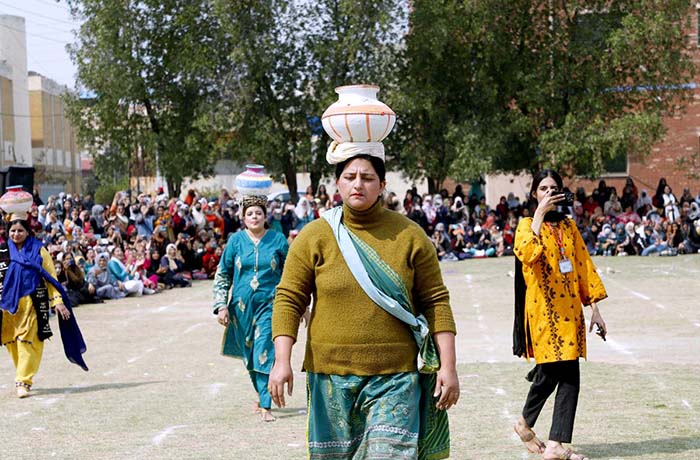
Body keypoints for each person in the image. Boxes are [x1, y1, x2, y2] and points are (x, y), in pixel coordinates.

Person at [269, 133, 459, 457]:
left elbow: (436, 301)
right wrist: (281, 360)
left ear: (382, 184)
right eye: (350, 177)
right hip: (329, 377)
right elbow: (289, 297)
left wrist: (449, 366)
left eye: (368, 178)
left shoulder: (410, 236)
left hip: (395, 378)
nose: (358, 184)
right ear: (337, 184)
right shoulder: (315, 236)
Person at [512, 169, 607, 460]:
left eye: (554, 188)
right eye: (543, 189)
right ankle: (547, 439)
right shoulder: (527, 225)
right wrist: (539, 214)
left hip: (571, 313)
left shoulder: (569, 227)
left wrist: (595, 309)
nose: (549, 193)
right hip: (544, 314)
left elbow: (583, 265)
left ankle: (537, 433)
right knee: (557, 373)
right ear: (534, 194)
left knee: (559, 374)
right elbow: (527, 253)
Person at [212, 194, 289, 422]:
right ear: (243, 218)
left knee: (263, 351)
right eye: (250, 213)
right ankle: (262, 393)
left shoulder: (278, 240)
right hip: (240, 308)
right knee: (249, 357)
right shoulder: (235, 241)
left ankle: (266, 405)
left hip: (270, 304)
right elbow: (223, 274)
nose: (254, 217)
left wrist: (299, 303)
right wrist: (220, 306)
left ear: (265, 217)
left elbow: (291, 273)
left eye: (258, 213)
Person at [0, 213, 88, 398]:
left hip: (32, 302)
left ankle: (23, 380)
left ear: (27, 231)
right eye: (13, 231)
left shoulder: (39, 250)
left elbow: (50, 277)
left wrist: (57, 301)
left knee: (28, 341)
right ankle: (22, 373)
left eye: (20, 231)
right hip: (8, 306)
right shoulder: (3, 252)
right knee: (12, 343)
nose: (16, 234)